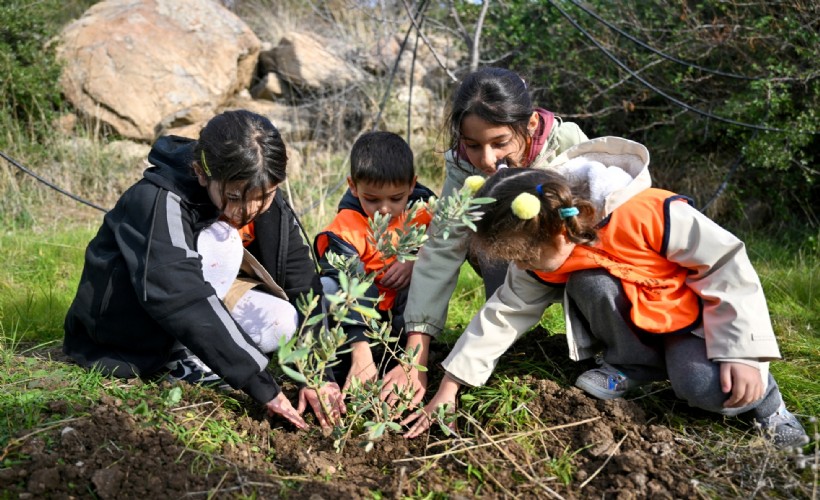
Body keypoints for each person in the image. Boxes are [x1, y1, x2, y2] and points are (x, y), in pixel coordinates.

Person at [403, 137, 808, 450]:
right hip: (641, 327)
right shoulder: (546, 249)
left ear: (557, 230)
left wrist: (743, 353)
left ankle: (770, 406)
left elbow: (725, 265)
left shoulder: (646, 213)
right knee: (589, 281)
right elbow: (503, 313)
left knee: (704, 387)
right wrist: (449, 387)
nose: (522, 268)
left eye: (524, 257)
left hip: (696, 324)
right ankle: (632, 366)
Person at [63, 110, 344, 429]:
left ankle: (201, 353)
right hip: (127, 329)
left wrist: (319, 373)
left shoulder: (261, 187)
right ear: (200, 173)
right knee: (223, 239)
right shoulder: (158, 199)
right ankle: (180, 360)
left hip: (200, 298)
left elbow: (302, 281)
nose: (249, 210)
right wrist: (262, 386)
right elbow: (182, 296)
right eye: (235, 197)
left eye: (264, 197)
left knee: (281, 322)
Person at [382, 66, 590, 407]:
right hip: (520, 274)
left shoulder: (567, 144)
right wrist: (414, 359)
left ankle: (602, 350)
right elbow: (442, 247)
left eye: (500, 143)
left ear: (531, 124)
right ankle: (503, 343)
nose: (487, 160)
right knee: (485, 243)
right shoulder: (464, 166)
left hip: (576, 264)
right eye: (473, 145)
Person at [314, 131, 434, 390]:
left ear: (412, 185)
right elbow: (349, 283)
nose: (385, 208)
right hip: (358, 318)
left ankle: (409, 357)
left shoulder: (424, 211)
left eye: (396, 198)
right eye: (372, 199)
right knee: (327, 288)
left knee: (427, 277)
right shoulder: (345, 229)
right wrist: (361, 348)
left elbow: (445, 245)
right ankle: (340, 368)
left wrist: (414, 258)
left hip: (404, 317)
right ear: (353, 186)